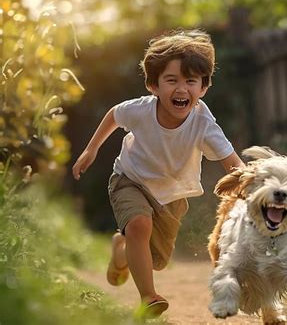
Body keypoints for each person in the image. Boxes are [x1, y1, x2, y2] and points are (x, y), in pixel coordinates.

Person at [72, 29, 244, 318]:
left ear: (202, 89)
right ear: (154, 85)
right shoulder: (141, 110)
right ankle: (148, 297)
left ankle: (120, 248)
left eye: (190, 81)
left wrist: (251, 189)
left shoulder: (203, 123)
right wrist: (91, 149)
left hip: (171, 193)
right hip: (130, 179)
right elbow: (115, 114)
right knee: (139, 225)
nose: (181, 89)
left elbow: (232, 163)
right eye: (171, 80)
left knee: (157, 260)